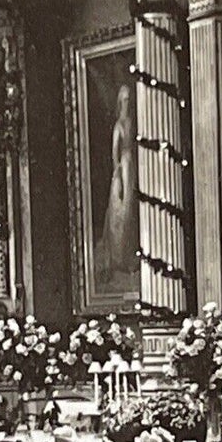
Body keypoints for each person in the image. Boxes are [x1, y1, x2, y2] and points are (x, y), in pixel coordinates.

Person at [93, 81, 137, 292]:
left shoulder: (131, 123)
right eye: (124, 100)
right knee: (119, 212)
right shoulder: (118, 126)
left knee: (130, 211)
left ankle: (129, 256)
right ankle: (118, 258)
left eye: (129, 100)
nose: (127, 104)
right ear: (120, 102)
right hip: (122, 169)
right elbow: (114, 153)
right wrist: (118, 175)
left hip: (132, 167)